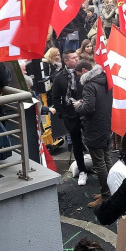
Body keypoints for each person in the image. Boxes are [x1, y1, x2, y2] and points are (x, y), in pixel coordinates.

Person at [75, 61, 113, 207]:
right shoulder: (105, 79)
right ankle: (111, 189)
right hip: (106, 125)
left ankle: (105, 194)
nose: (79, 77)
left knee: (99, 163)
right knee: (107, 159)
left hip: (94, 129)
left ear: (84, 70)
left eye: (79, 74)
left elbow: (89, 108)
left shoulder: (89, 85)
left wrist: (79, 106)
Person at [51, 51, 89, 185]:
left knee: (91, 139)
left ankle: (96, 164)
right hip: (70, 115)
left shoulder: (84, 73)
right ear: (66, 61)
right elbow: (55, 97)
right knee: (77, 143)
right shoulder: (59, 77)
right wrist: (62, 114)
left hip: (86, 112)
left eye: (77, 57)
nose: (77, 59)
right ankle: (82, 170)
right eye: (73, 58)